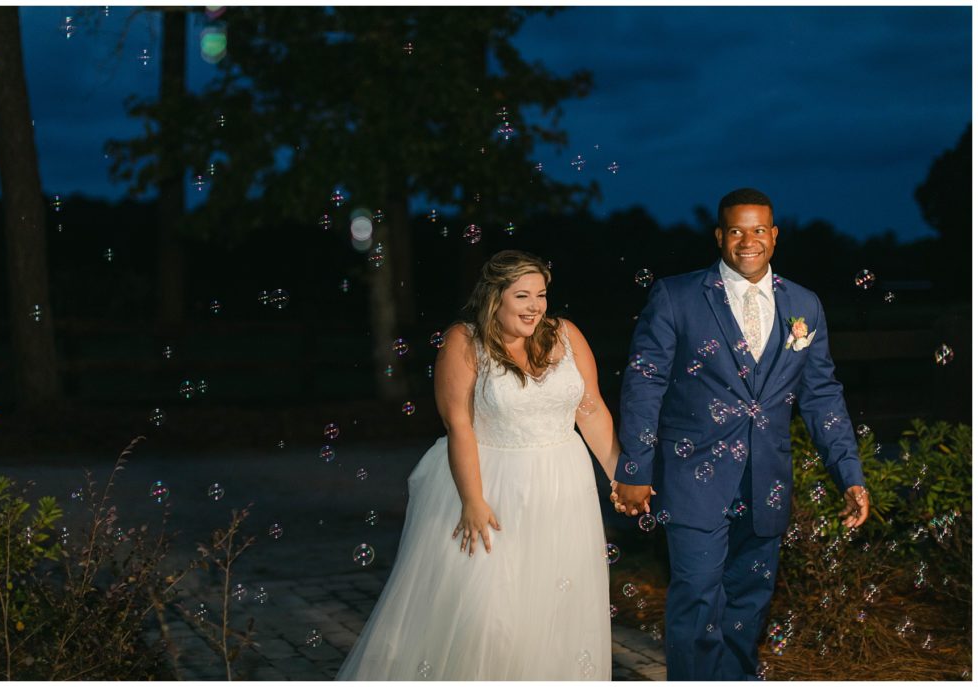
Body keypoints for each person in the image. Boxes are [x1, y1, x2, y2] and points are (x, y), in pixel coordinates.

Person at [610, 188, 870, 680]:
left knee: (749, 604)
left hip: (767, 478)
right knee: (697, 597)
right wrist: (635, 468)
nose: (747, 241)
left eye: (758, 230)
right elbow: (644, 385)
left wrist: (848, 474)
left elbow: (821, 396)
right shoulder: (676, 295)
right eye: (736, 230)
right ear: (719, 236)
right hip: (692, 478)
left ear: (774, 236)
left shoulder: (805, 306)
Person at [337, 249, 620, 680]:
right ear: (495, 297)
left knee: (555, 604)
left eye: (540, 295)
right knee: (487, 613)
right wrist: (472, 500)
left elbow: (592, 409)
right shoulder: (464, 341)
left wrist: (622, 476)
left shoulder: (565, 335)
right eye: (522, 295)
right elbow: (459, 426)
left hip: (564, 488)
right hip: (492, 487)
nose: (535, 306)